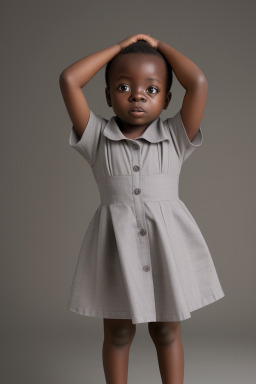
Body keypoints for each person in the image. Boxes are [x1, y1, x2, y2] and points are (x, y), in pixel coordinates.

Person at [59, 33, 225, 384]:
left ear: (166, 99)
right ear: (107, 96)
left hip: (167, 250)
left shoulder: (176, 137)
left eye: (152, 89)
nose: (137, 94)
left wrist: (160, 46)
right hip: (116, 253)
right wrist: (118, 48)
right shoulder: (96, 138)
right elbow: (70, 80)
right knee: (118, 335)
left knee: (166, 333)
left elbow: (197, 82)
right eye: (123, 87)